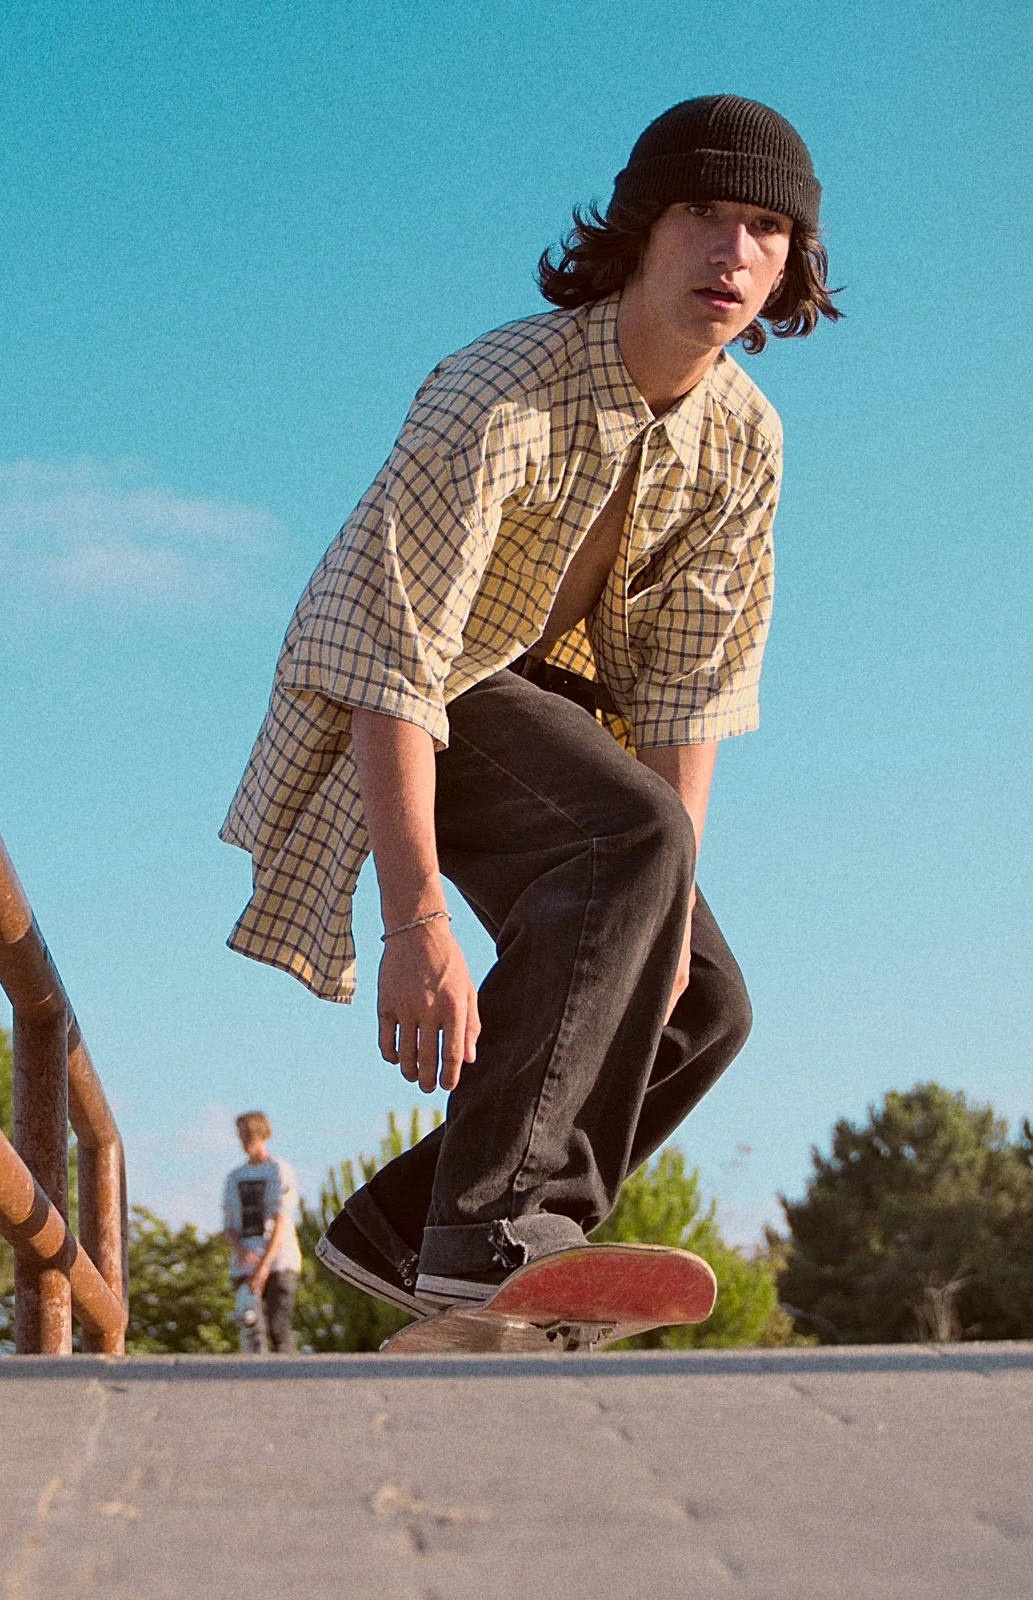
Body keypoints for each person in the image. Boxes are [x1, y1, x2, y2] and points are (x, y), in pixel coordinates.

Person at [220, 96, 838, 1314]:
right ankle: (497, 1229)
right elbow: (391, 658)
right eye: (700, 214)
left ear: (790, 263)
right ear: (636, 230)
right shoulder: (501, 390)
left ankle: (404, 1229)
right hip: (418, 695)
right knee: (625, 834)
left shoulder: (744, 441)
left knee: (705, 1004)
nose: (729, 253)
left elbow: (687, 688)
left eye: (763, 228)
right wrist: (412, 925)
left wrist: (658, 922)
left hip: (560, 715)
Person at [221, 1111, 302, 1352]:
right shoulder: (234, 1177)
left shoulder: (278, 1170)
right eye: (240, 1134)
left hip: (279, 1262)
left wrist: (264, 1266)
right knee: (251, 1332)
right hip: (245, 1263)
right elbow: (228, 1225)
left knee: (278, 1329)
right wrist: (243, 1253)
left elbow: (281, 1220)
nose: (243, 1139)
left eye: (247, 1133)